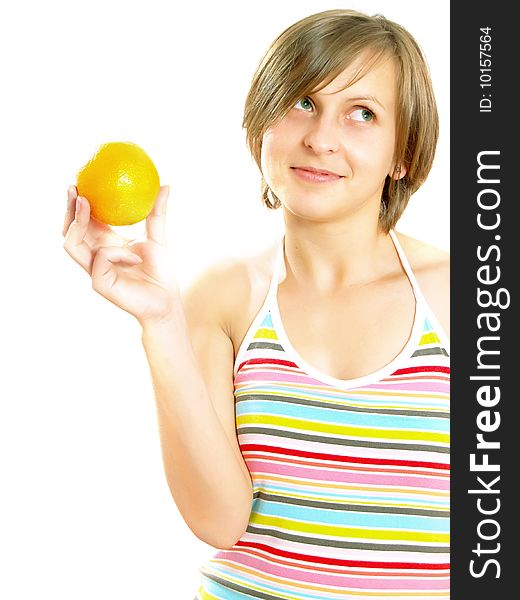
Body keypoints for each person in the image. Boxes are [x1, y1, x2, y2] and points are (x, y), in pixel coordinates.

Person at [63, 8, 450, 599]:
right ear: (259, 125)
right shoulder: (224, 297)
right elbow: (219, 521)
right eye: (301, 102)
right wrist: (160, 323)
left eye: (362, 114)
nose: (321, 138)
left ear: (404, 152)